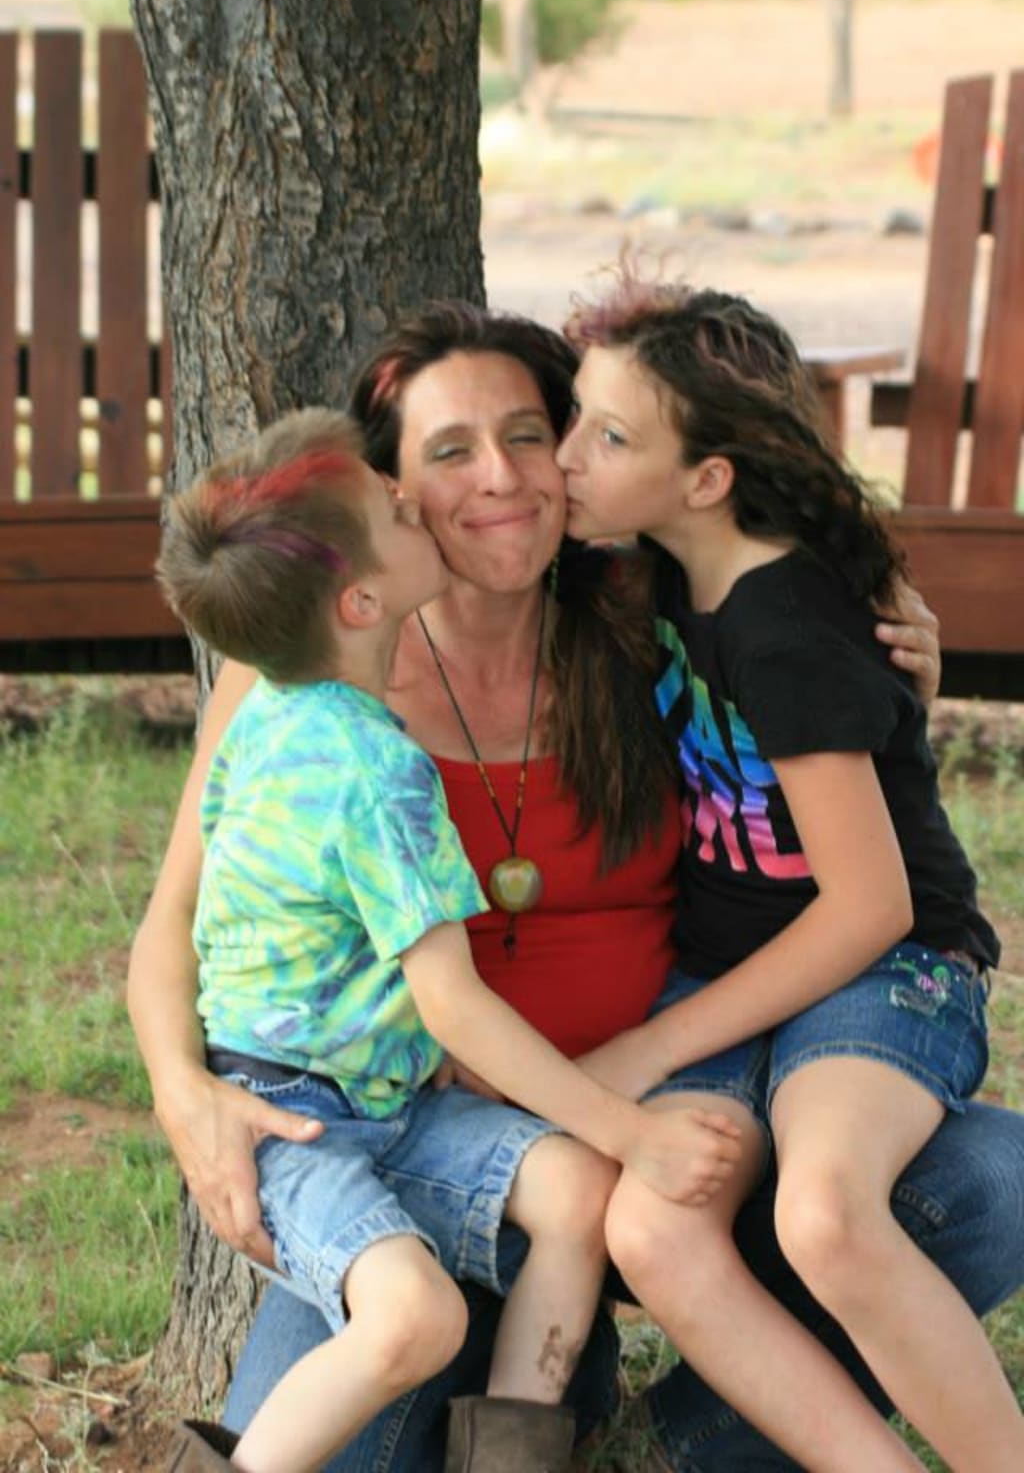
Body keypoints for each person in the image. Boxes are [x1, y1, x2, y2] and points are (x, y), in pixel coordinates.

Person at [128, 300, 1024, 1473]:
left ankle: (677, 1443)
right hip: (402, 1142)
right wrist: (183, 1095)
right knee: (347, 1435)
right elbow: (175, 926)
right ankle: (544, 1371)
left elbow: (808, 696)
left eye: (528, 435)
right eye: (450, 451)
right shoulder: (299, 688)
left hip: (646, 1121)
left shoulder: (650, 619)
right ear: (391, 492)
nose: (500, 476)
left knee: (988, 1185)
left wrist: (891, 669)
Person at [152, 408, 742, 1473]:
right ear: (362, 602)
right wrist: (634, 1132)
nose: (411, 498)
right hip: (294, 1123)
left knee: (570, 1191)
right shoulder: (379, 772)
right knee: (417, 1320)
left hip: (386, 1100)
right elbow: (453, 1004)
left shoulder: (270, 712)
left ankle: (511, 1455)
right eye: (393, 506)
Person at [555, 277, 1022, 1473]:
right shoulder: (664, 569)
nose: (564, 459)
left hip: (884, 967)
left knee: (824, 1214)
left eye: (609, 437)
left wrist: (648, 1049)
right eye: (574, 421)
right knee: (653, 1228)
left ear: (707, 479)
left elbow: (869, 906)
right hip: (735, 970)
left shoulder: (783, 628)